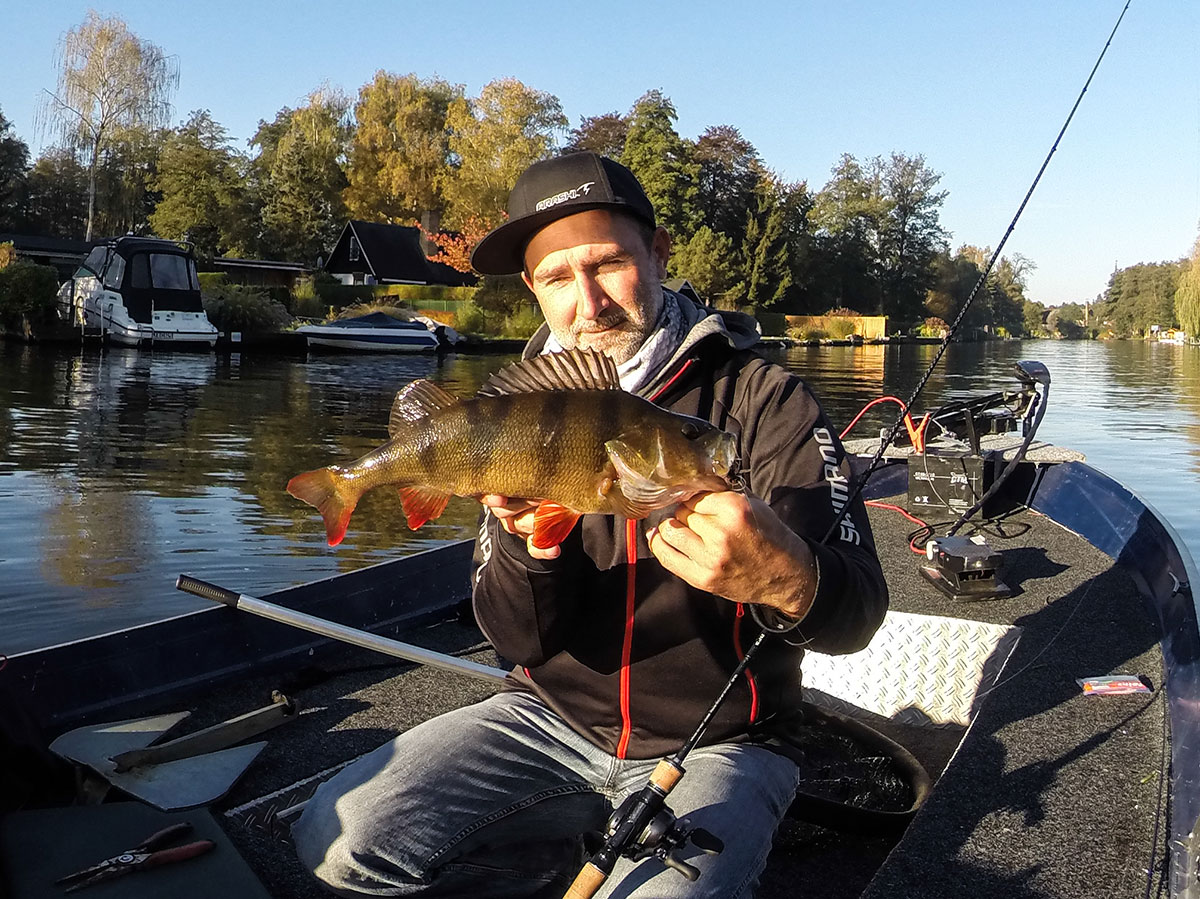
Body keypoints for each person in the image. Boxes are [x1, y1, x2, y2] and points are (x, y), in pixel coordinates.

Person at [293, 152, 888, 898]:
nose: (590, 303)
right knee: (336, 838)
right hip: (546, 718)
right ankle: (559, 860)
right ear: (533, 288)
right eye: (555, 278)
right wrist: (527, 548)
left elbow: (859, 611)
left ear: (659, 252)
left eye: (607, 264)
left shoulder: (766, 403)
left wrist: (790, 580)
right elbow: (515, 641)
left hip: (722, 742)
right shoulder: (511, 413)